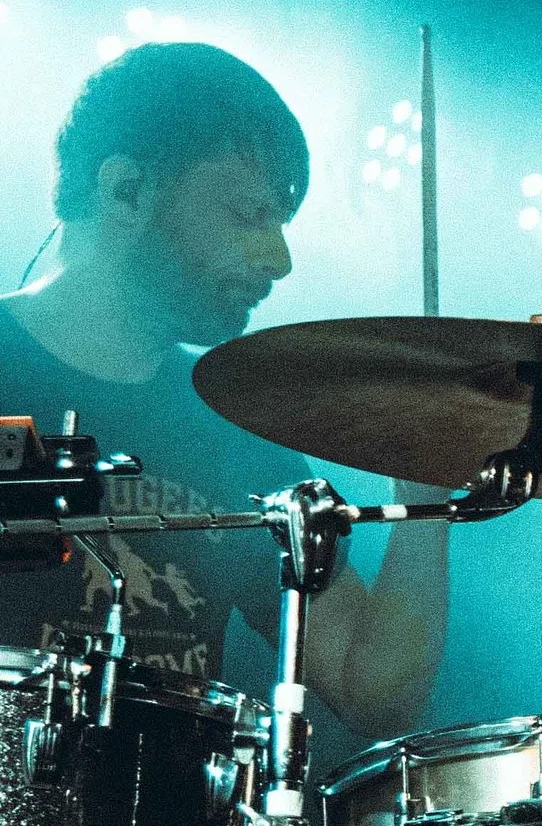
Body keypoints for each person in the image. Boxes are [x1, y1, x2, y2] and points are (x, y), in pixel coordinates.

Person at [0, 39, 448, 738]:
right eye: (248, 214)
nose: (280, 260)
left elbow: (370, 689)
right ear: (127, 190)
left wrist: (425, 492)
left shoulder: (236, 436)